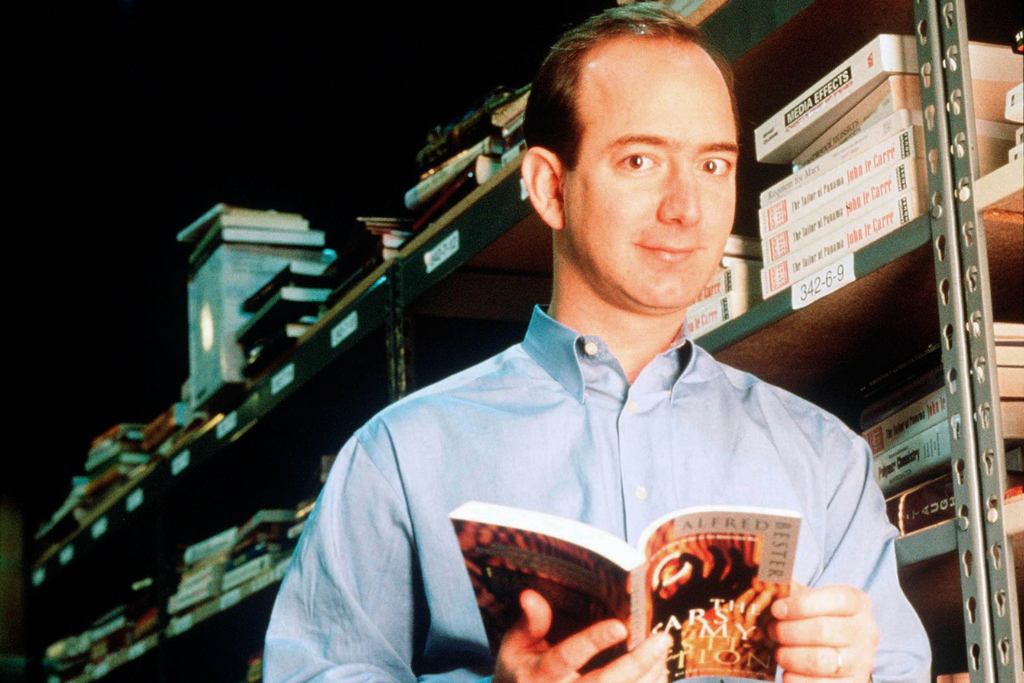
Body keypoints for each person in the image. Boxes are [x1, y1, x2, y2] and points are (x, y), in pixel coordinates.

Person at [264, 5, 931, 682]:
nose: (686, 208)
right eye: (640, 160)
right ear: (549, 187)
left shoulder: (826, 463)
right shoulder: (400, 458)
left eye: (713, 165)